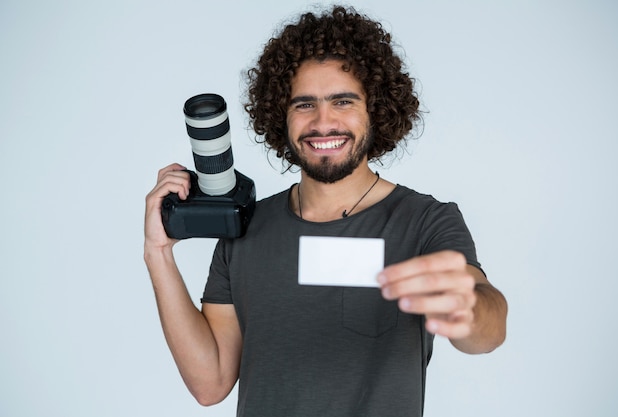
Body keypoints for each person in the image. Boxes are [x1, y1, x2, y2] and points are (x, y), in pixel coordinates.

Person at [144, 5, 507, 417]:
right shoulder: (246, 227)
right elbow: (210, 384)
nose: (323, 122)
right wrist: (157, 254)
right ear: (280, 115)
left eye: (343, 101)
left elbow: (488, 330)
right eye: (304, 104)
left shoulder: (424, 222)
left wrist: (469, 309)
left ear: (377, 109)